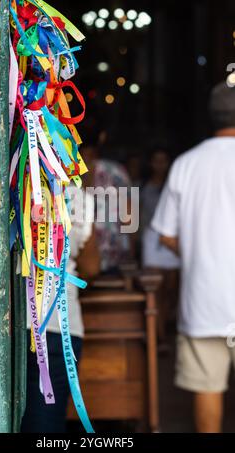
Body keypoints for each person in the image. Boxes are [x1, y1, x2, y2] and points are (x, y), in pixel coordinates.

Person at [151, 81, 235, 433]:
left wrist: (199, 250)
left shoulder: (187, 163)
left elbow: (166, 234)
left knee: (206, 386)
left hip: (204, 299)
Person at [21, 188, 100, 433]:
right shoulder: (79, 198)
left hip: (9, 324)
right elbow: (91, 267)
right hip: (57, 326)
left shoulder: (9, 185)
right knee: (46, 424)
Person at [141, 148, 180, 344]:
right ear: (150, 163)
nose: (159, 165)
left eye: (163, 160)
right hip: (151, 239)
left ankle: (164, 327)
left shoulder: (175, 184)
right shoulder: (142, 186)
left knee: (170, 290)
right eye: (156, 161)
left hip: (172, 239)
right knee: (155, 290)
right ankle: (159, 336)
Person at [82, 141, 132, 273]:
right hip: (81, 257)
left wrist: (131, 254)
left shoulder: (113, 171)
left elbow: (129, 216)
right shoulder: (68, 173)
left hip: (112, 254)